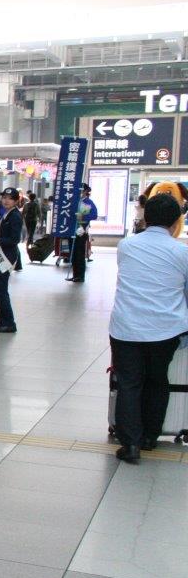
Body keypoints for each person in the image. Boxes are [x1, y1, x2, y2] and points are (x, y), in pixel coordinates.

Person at [108, 193, 188, 464]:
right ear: (177, 220)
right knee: (157, 380)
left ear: (146, 216)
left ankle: (130, 444)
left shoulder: (126, 246)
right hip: (165, 329)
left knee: (129, 383)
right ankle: (150, 437)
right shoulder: (182, 252)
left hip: (126, 326)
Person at [0, 188, 23, 334]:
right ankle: (2, 320)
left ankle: (9, 323)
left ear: (16, 201)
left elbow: (15, 239)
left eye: (9, 198)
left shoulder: (15, 216)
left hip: (6, 256)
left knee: (1, 291)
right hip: (1, 254)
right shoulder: (7, 214)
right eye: (4, 197)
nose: (5, 201)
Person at [68, 184, 98, 283]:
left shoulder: (87, 202)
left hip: (81, 230)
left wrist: (84, 217)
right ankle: (75, 274)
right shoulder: (74, 201)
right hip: (72, 230)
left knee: (79, 254)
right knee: (73, 254)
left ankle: (80, 276)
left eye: (81, 190)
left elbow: (94, 215)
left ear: (85, 191)